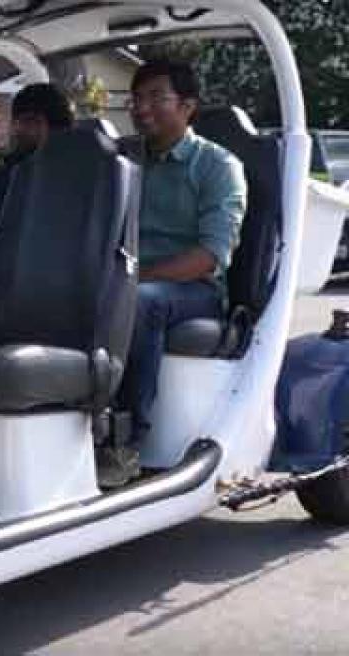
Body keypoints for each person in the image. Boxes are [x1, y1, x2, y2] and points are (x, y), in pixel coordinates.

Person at [99, 59, 248, 488]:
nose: (141, 108)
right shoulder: (124, 161)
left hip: (195, 290)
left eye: (155, 98)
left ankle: (126, 443)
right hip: (127, 279)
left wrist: (134, 278)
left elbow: (210, 255)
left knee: (140, 302)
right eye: (136, 99)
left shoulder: (218, 166)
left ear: (187, 106)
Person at [0, 82, 74, 233]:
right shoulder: (5, 177)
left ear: (56, 129)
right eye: (16, 121)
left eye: (29, 121)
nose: (18, 130)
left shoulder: (79, 182)